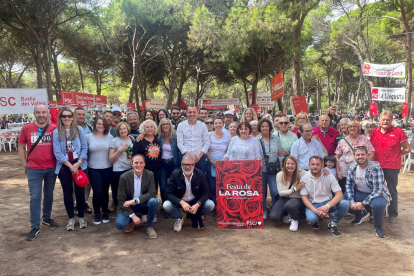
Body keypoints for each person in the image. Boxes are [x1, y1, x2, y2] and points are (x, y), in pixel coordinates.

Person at [18, 105, 59, 241]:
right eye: (38, 112)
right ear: (34, 114)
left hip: (51, 168)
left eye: (43, 112)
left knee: (49, 194)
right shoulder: (27, 128)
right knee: (35, 197)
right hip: (34, 169)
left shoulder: (54, 128)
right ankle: (35, 226)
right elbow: (21, 146)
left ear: (47, 113)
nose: (41, 115)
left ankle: (46, 218)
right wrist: (25, 163)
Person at [369, 110, 410, 223]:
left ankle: (393, 214)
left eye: (388, 119)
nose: (385, 121)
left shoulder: (398, 131)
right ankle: (380, 213)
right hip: (377, 166)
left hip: (392, 166)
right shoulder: (374, 132)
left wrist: (396, 155)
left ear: (392, 120)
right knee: (377, 190)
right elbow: (371, 149)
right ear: (379, 120)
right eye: (383, 119)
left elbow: (407, 149)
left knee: (391, 190)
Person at [53, 108, 88, 231]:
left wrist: (78, 163)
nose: (66, 118)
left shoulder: (79, 130)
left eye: (69, 116)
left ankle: (82, 218)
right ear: (60, 118)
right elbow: (57, 152)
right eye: (64, 116)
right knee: (67, 192)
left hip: (79, 164)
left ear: (72, 117)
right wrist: (70, 165)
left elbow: (84, 147)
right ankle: (71, 218)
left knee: (80, 191)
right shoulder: (56, 132)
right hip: (64, 165)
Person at [344, 146, 391, 238]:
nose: (360, 157)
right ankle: (360, 214)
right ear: (354, 156)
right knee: (343, 201)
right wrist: (352, 201)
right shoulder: (352, 167)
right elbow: (349, 186)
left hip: (377, 194)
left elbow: (378, 189)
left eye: (362, 154)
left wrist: (363, 203)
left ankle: (378, 226)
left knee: (378, 205)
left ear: (367, 155)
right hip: (360, 192)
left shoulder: (375, 168)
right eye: (358, 155)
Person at [300, 156, 350, 237]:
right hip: (313, 204)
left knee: (345, 204)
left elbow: (340, 195)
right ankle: (316, 219)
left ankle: (333, 224)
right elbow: (304, 198)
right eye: (313, 164)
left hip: (328, 202)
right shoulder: (304, 178)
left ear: (322, 166)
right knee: (311, 219)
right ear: (309, 165)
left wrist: (327, 206)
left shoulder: (329, 176)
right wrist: (315, 210)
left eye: (317, 164)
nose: (315, 167)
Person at [163, 154, 215, 231]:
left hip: (195, 201)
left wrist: (198, 204)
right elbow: (167, 193)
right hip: (181, 201)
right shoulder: (175, 174)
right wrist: (181, 202)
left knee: (210, 205)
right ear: (181, 165)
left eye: (190, 165)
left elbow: (206, 193)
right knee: (166, 205)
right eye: (185, 164)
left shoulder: (200, 174)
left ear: (194, 165)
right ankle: (179, 218)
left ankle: (197, 214)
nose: (187, 167)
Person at [115, 154, 158, 238]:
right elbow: (121, 200)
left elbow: (152, 192)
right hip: (129, 206)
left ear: (144, 164)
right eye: (136, 163)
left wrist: (135, 200)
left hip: (143, 204)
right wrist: (132, 215)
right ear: (132, 164)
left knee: (153, 201)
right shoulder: (124, 177)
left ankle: (149, 226)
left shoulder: (150, 174)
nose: (139, 165)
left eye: (141, 163)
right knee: (120, 224)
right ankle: (131, 221)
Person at [132, 119, 161, 223]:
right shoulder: (140, 140)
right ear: (143, 129)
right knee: (143, 191)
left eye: (151, 127)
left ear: (154, 128)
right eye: (147, 127)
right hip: (144, 170)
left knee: (154, 191)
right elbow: (135, 155)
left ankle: (152, 213)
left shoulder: (158, 139)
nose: (149, 128)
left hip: (157, 169)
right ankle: (144, 213)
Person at [86, 117, 114, 225]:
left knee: (105, 191)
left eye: (103, 124)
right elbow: (84, 152)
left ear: (106, 126)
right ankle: (97, 213)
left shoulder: (110, 137)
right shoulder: (88, 137)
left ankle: (105, 212)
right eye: (98, 124)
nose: (100, 126)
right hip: (93, 168)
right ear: (95, 124)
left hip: (107, 167)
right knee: (97, 192)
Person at [269, 156, 307, 231]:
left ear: (296, 165)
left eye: (293, 164)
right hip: (284, 197)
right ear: (284, 164)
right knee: (274, 217)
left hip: (297, 198)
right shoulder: (280, 174)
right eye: (288, 163)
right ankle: (287, 214)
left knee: (290, 205)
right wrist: (295, 189)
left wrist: (324, 170)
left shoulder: (302, 173)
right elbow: (280, 193)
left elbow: (313, 172)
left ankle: (294, 220)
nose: (290, 166)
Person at [335, 120, 374, 193]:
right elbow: (337, 156)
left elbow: (371, 152)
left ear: (358, 128)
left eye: (354, 126)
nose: (352, 128)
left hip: (360, 171)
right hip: (344, 172)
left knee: (359, 191)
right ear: (347, 128)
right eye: (350, 126)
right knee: (345, 191)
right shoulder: (342, 141)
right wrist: (337, 171)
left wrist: (366, 164)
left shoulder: (364, 139)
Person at [257, 118, 283, 219]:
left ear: (270, 127)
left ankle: (275, 210)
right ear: (260, 128)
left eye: (266, 126)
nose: (264, 128)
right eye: (262, 126)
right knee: (262, 191)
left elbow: (280, 153)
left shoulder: (276, 139)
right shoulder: (256, 140)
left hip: (273, 169)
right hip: (261, 170)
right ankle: (263, 210)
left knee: (274, 191)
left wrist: (280, 168)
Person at [206, 117, 230, 216]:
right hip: (210, 163)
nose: (218, 125)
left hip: (223, 164)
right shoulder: (208, 135)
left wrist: (222, 162)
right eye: (216, 123)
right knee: (211, 187)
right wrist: (212, 161)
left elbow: (228, 151)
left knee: (221, 187)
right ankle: (215, 208)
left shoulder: (227, 136)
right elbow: (205, 149)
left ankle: (222, 207)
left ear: (223, 124)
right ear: (213, 125)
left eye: (220, 123)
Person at [158, 118, 182, 216]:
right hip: (162, 164)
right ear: (160, 126)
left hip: (173, 164)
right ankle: (165, 206)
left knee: (174, 186)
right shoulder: (159, 137)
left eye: (167, 124)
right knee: (163, 187)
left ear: (170, 125)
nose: (165, 126)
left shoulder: (175, 137)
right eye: (163, 124)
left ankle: (174, 205)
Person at [177, 105, 210, 172]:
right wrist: (190, 155)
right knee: (186, 180)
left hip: (200, 159)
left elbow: (206, 143)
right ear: (186, 113)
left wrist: (198, 156)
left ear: (197, 113)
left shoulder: (203, 126)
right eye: (190, 112)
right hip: (186, 158)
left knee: (200, 180)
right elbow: (180, 143)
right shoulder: (181, 125)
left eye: (194, 112)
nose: (192, 114)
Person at [109, 122, 134, 211]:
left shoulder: (131, 139)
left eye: (124, 128)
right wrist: (119, 150)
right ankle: (120, 209)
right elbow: (111, 159)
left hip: (130, 169)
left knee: (130, 191)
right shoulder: (114, 141)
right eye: (120, 129)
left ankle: (129, 209)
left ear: (128, 130)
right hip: (118, 170)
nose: (123, 131)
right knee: (120, 192)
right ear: (117, 131)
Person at [74, 107, 93, 214]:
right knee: (74, 183)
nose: (81, 116)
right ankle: (75, 204)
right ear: (74, 115)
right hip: (74, 161)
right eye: (79, 114)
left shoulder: (90, 128)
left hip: (87, 160)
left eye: (83, 114)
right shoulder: (69, 128)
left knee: (86, 182)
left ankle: (84, 202)